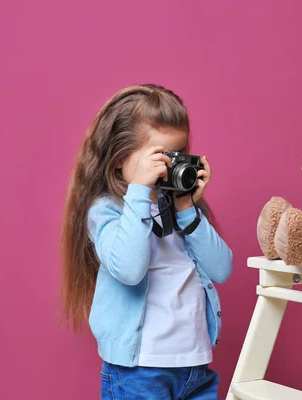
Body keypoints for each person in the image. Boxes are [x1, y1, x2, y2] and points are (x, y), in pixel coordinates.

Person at [60, 83, 232, 399]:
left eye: (179, 154)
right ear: (118, 159)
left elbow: (222, 269)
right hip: (140, 371)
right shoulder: (107, 212)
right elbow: (129, 268)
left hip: (195, 365)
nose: (171, 166)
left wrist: (186, 206)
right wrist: (139, 191)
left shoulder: (181, 210)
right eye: (161, 157)